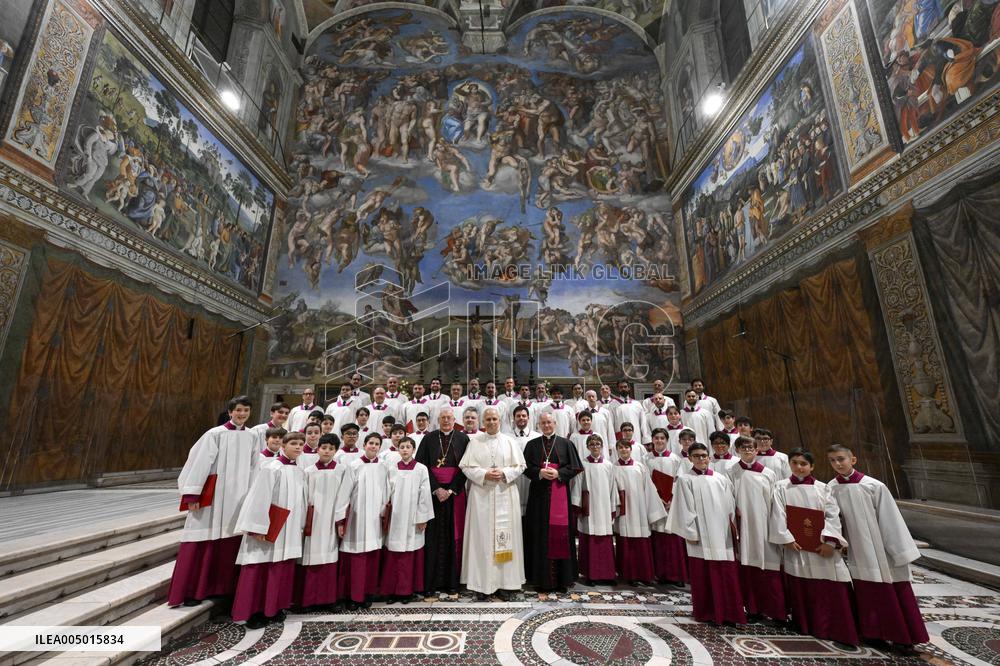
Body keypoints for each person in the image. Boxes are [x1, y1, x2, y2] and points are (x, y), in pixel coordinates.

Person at [827, 444, 928, 651]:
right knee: (865, 590)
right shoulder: (831, 487)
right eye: (833, 460)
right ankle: (873, 633)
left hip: (881, 547)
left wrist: (898, 550)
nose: (837, 464)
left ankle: (903, 638)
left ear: (852, 459)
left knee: (892, 588)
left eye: (841, 459)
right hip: (855, 547)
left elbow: (890, 519)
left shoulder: (874, 486)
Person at [168, 396, 259, 607]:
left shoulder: (252, 437)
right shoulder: (214, 434)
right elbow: (198, 463)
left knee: (229, 544)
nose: (242, 414)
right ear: (230, 411)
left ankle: (223, 589)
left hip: (238, 498)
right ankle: (194, 591)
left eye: (246, 410)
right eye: (238, 410)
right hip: (214, 497)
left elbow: (255, 467)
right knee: (203, 543)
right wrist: (192, 494)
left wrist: (253, 496)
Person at [769, 448, 858, 646]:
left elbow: (832, 515)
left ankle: (836, 628)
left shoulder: (823, 488)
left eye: (803, 464)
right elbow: (778, 514)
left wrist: (830, 542)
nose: (799, 467)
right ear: (789, 464)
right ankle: (806, 625)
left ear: (812, 466)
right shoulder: (781, 487)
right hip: (797, 547)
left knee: (830, 584)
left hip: (821, 547)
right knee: (802, 585)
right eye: (795, 463)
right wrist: (787, 539)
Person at [231, 430, 308, 628]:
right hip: (268, 527)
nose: (298, 447)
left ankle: (274, 607)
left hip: (288, 528)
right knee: (260, 567)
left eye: (301, 444)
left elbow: (301, 501)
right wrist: (257, 527)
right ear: (283, 446)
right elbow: (259, 497)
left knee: (280, 568)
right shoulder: (272, 468)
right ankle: (254, 611)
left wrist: (300, 525)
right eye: (294, 444)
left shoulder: (299, 471)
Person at [667, 443, 746, 625]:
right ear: (690, 459)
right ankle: (707, 612)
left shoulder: (721, 478)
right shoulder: (685, 480)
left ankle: (729, 613)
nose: (701, 459)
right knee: (703, 576)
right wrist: (691, 533)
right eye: (697, 456)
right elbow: (683, 510)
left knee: (726, 575)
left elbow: (730, 507)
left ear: (709, 457)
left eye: (704, 455)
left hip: (722, 535)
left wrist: (732, 529)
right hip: (700, 538)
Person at [459, 407, 526, 599]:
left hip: (505, 492)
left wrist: (504, 473)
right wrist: (484, 474)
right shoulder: (475, 442)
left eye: (494, 419)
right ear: (483, 421)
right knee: (482, 539)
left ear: (500, 420)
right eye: (487, 419)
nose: (491, 422)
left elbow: (520, 465)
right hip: (482, 496)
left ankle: (506, 584)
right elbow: (465, 466)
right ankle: (481, 585)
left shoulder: (509, 441)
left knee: (506, 538)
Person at [522, 413, 584, 592]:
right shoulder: (532, 444)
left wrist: (559, 474)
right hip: (538, 497)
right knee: (539, 534)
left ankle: (562, 580)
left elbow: (575, 467)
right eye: (543, 423)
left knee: (560, 535)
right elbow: (525, 467)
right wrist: (539, 473)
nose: (546, 425)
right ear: (539, 425)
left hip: (559, 495)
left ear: (555, 423)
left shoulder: (566, 443)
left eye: (549, 422)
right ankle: (540, 579)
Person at [414, 407, 470, 594]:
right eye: (443, 418)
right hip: (433, 495)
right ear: (438, 420)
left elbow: (466, 467)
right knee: (433, 537)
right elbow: (421, 465)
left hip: (455, 495)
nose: (446, 420)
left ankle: (453, 583)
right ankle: (431, 583)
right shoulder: (429, 438)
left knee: (454, 536)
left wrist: (451, 489)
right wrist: (436, 488)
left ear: (455, 420)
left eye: (449, 417)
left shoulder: (463, 439)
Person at [729, 436, 785, 622]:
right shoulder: (732, 472)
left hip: (766, 527)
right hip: (745, 529)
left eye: (750, 448)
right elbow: (729, 499)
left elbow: (776, 502)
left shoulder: (768, 473)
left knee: (771, 569)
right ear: (737, 450)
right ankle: (753, 608)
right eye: (743, 448)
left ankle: (777, 612)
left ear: (756, 450)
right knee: (749, 569)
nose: (747, 451)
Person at [298, 433, 354, 612]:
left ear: (336, 451)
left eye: (331, 449)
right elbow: (304, 498)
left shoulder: (342, 470)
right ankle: (307, 600)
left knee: (329, 558)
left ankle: (329, 599)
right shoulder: (308, 471)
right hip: (313, 520)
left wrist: (340, 520)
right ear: (317, 449)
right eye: (324, 448)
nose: (327, 451)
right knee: (310, 558)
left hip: (331, 520)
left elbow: (344, 497)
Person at [339, 433, 390, 609]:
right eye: (371, 443)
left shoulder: (383, 466)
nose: (373, 446)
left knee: (371, 557)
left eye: (377, 444)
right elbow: (344, 493)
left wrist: (383, 512)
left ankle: (367, 593)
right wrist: (341, 519)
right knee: (356, 557)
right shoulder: (354, 465)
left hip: (375, 518)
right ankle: (353, 596)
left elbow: (386, 491)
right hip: (356, 517)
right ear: (365, 444)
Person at [381, 437, 434, 603]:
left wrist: (422, 517)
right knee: (394, 554)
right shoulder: (391, 468)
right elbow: (385, 493)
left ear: (413, 449)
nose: (404, 450)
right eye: (402, 447)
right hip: (396, 517)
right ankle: (392, 591)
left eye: (408, 447)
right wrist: (384, 514)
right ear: (398, 449)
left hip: (412, 518)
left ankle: (407, 592)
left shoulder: (421, 469)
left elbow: (424, 494)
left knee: (410, 555)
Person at [612, 439, 665, 586]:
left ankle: (645, 574)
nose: (624, 450)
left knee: (641, 543)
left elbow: (649, 489)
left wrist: (651, 512)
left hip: (640, 510)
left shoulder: (640, 467)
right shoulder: (613, 468)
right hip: (624, 511)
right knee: (626, 542)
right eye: (621, 448)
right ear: (617, 450)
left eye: (626, 448)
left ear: (631, 449)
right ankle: (629, 575)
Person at [571, 434, 618, 585]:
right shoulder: (583, 465)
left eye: (598, 443)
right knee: (590, 539)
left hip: (604, 508)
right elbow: (577, 486)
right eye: (592, 444)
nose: (595, 446)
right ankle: (591, 575)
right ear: (587, 447)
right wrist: (577, 506)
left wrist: (612, 507)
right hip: (589, 509)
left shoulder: (609, 465)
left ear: (602, 446)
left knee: (605, 540)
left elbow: (612, 488)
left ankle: (608, 574)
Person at [646, 428, 688, 586]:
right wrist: (658, 499)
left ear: (667, 440)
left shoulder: (675, 459)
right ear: (652, 440)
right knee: (659, 539)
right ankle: (661, 574)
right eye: (656, 438)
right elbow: (646, 482)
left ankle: (676, 575)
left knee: (673, 539)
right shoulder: (646, 459)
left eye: (662, 438)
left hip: (672, 503)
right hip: (655, 503)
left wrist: (670, 498)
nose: (659, 441)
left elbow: (680, 481)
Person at [510, 405, 541, 515]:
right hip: (514, 478)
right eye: (518, 416)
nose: (521, 418)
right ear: (513, 418)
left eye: (524, 415)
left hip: (531, 477)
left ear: (528, 418)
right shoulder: (507, 437)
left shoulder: (537, 437)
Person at [614, 381, 650, 446]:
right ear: (618, 389)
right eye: (621, 387)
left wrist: (645, 439)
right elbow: (611, 425)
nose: (623, 389)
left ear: (629, 388)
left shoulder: (637, 404)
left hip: (636, 436)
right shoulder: (613, 405)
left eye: (625, 387)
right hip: (620, 437)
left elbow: (643, 422)